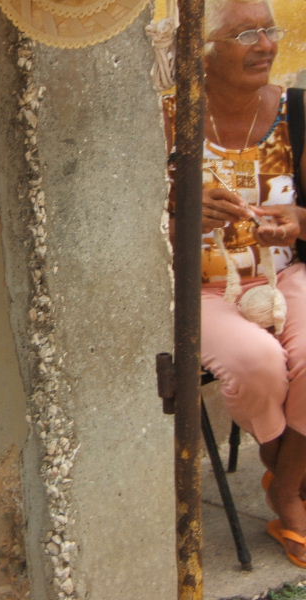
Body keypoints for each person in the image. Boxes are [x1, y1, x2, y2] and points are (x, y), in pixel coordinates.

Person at [164, 0, 306, 567]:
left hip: (284, 271)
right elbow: (124, 220)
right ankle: (289, 473)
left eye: (270, 31)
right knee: (257, 364)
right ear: (200, 50)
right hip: (198, 286)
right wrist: (183, 208)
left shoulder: (297, 112)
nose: (266, 45)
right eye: (246, 34)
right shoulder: (166, 118)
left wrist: (299, 221)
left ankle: (287, 486)